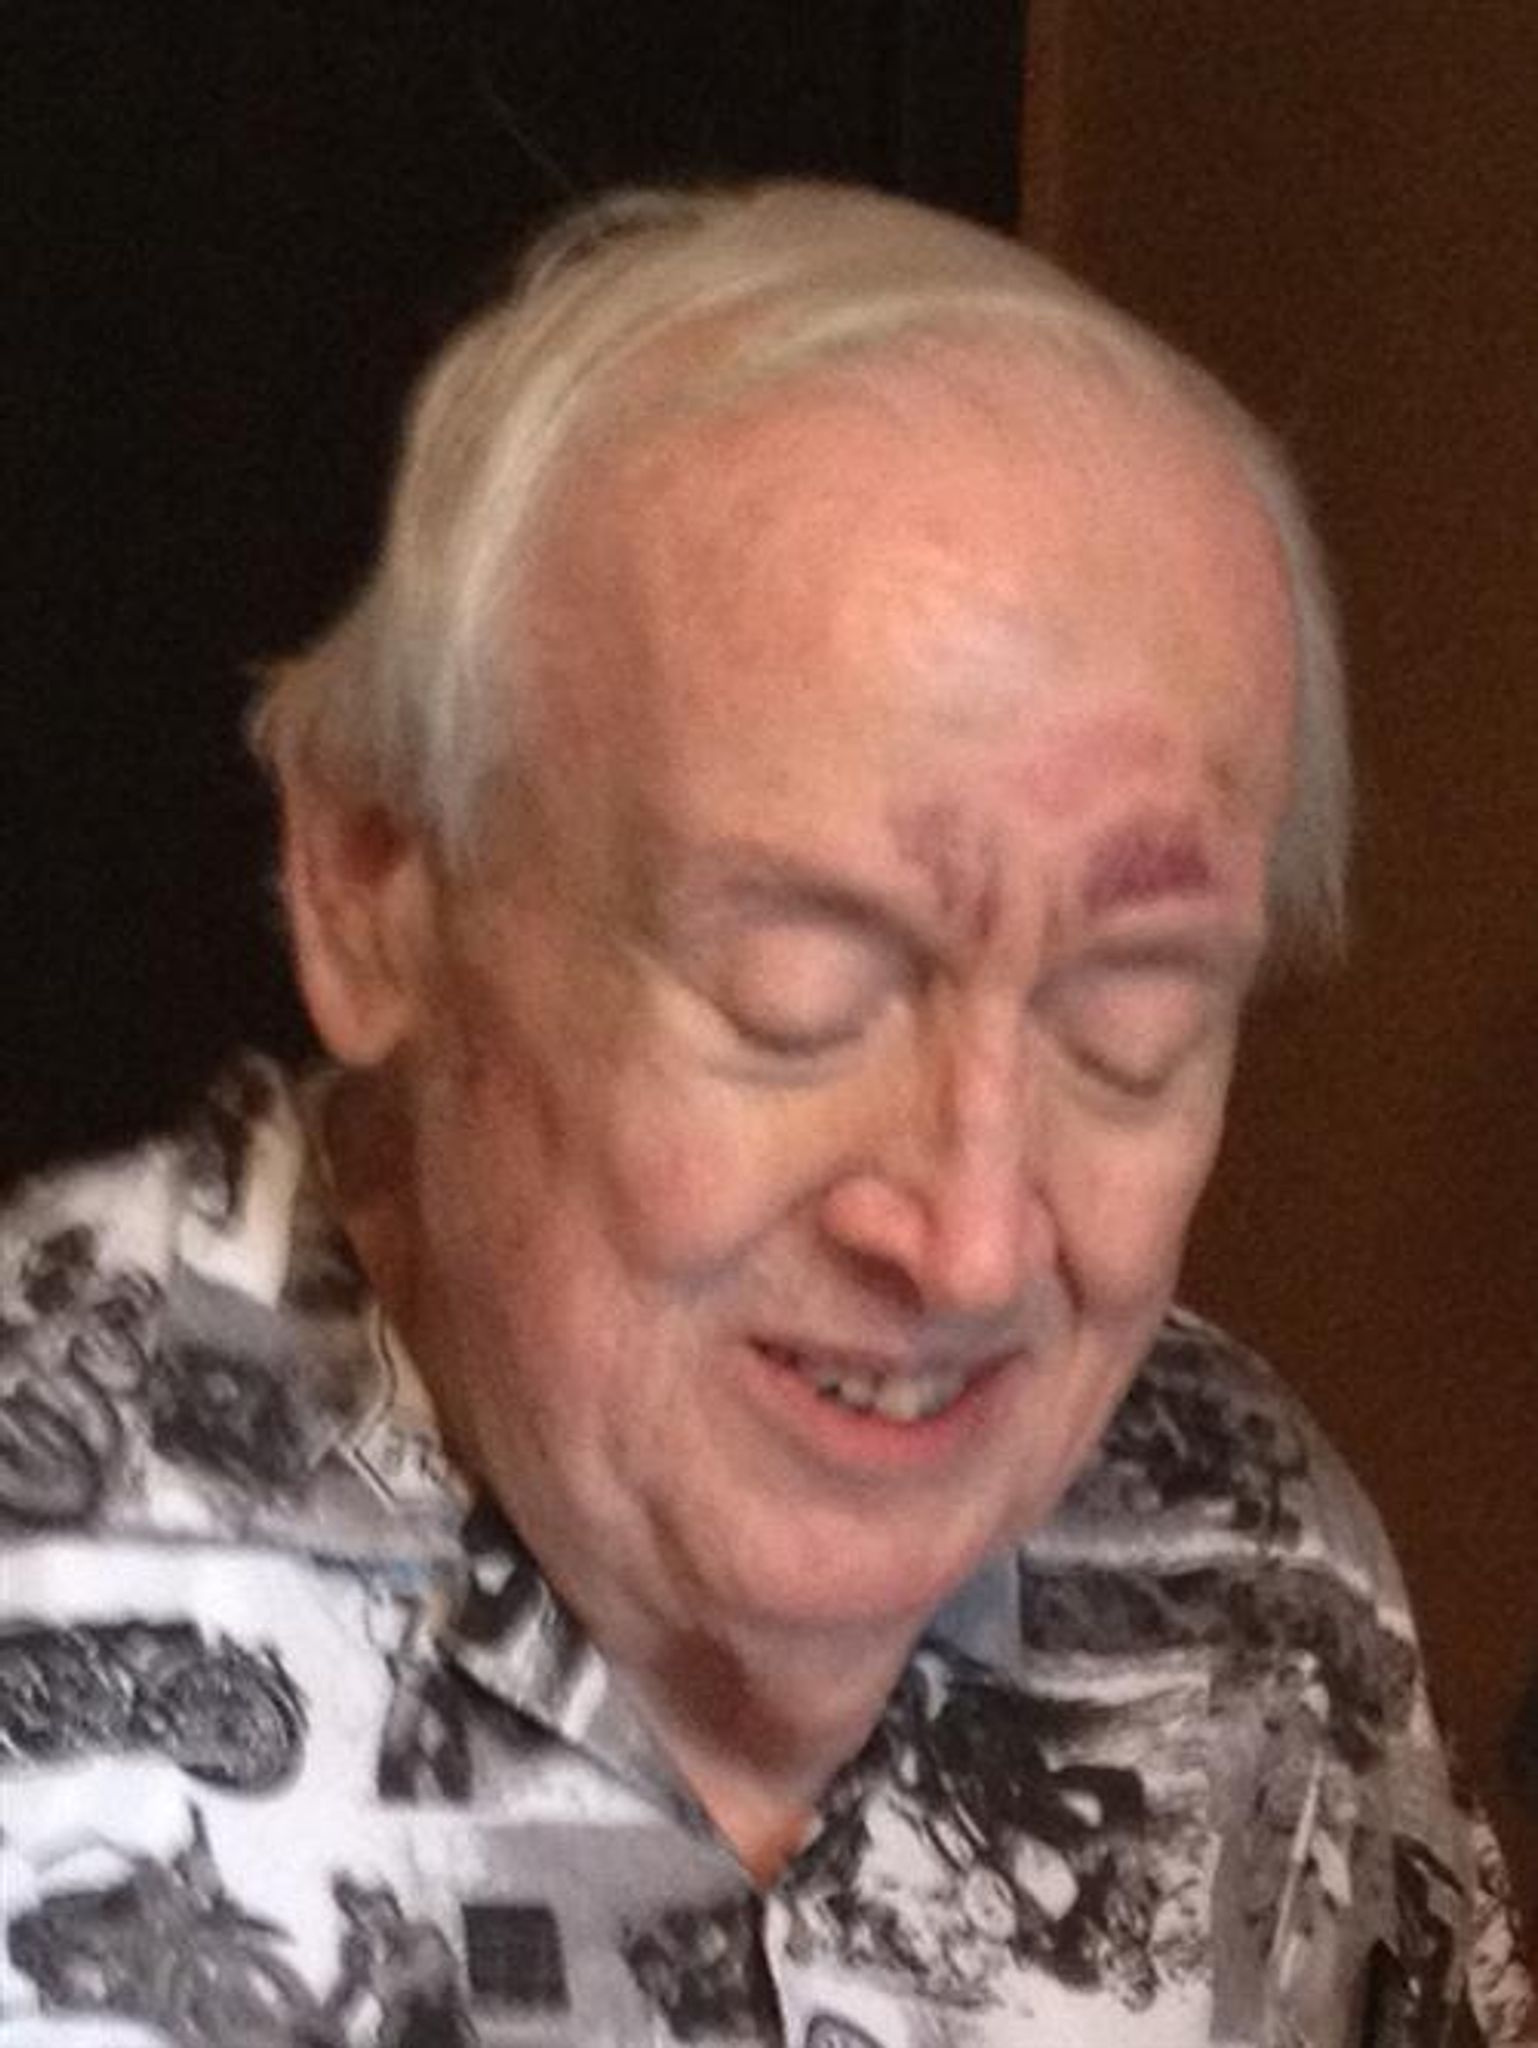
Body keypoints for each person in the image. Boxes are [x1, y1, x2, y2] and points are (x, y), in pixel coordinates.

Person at [0, 181, 1529, 2048]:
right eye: (796, 994)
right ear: (374, 883)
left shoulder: (1250, 1557)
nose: (969, 1243)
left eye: (1129, 1022)